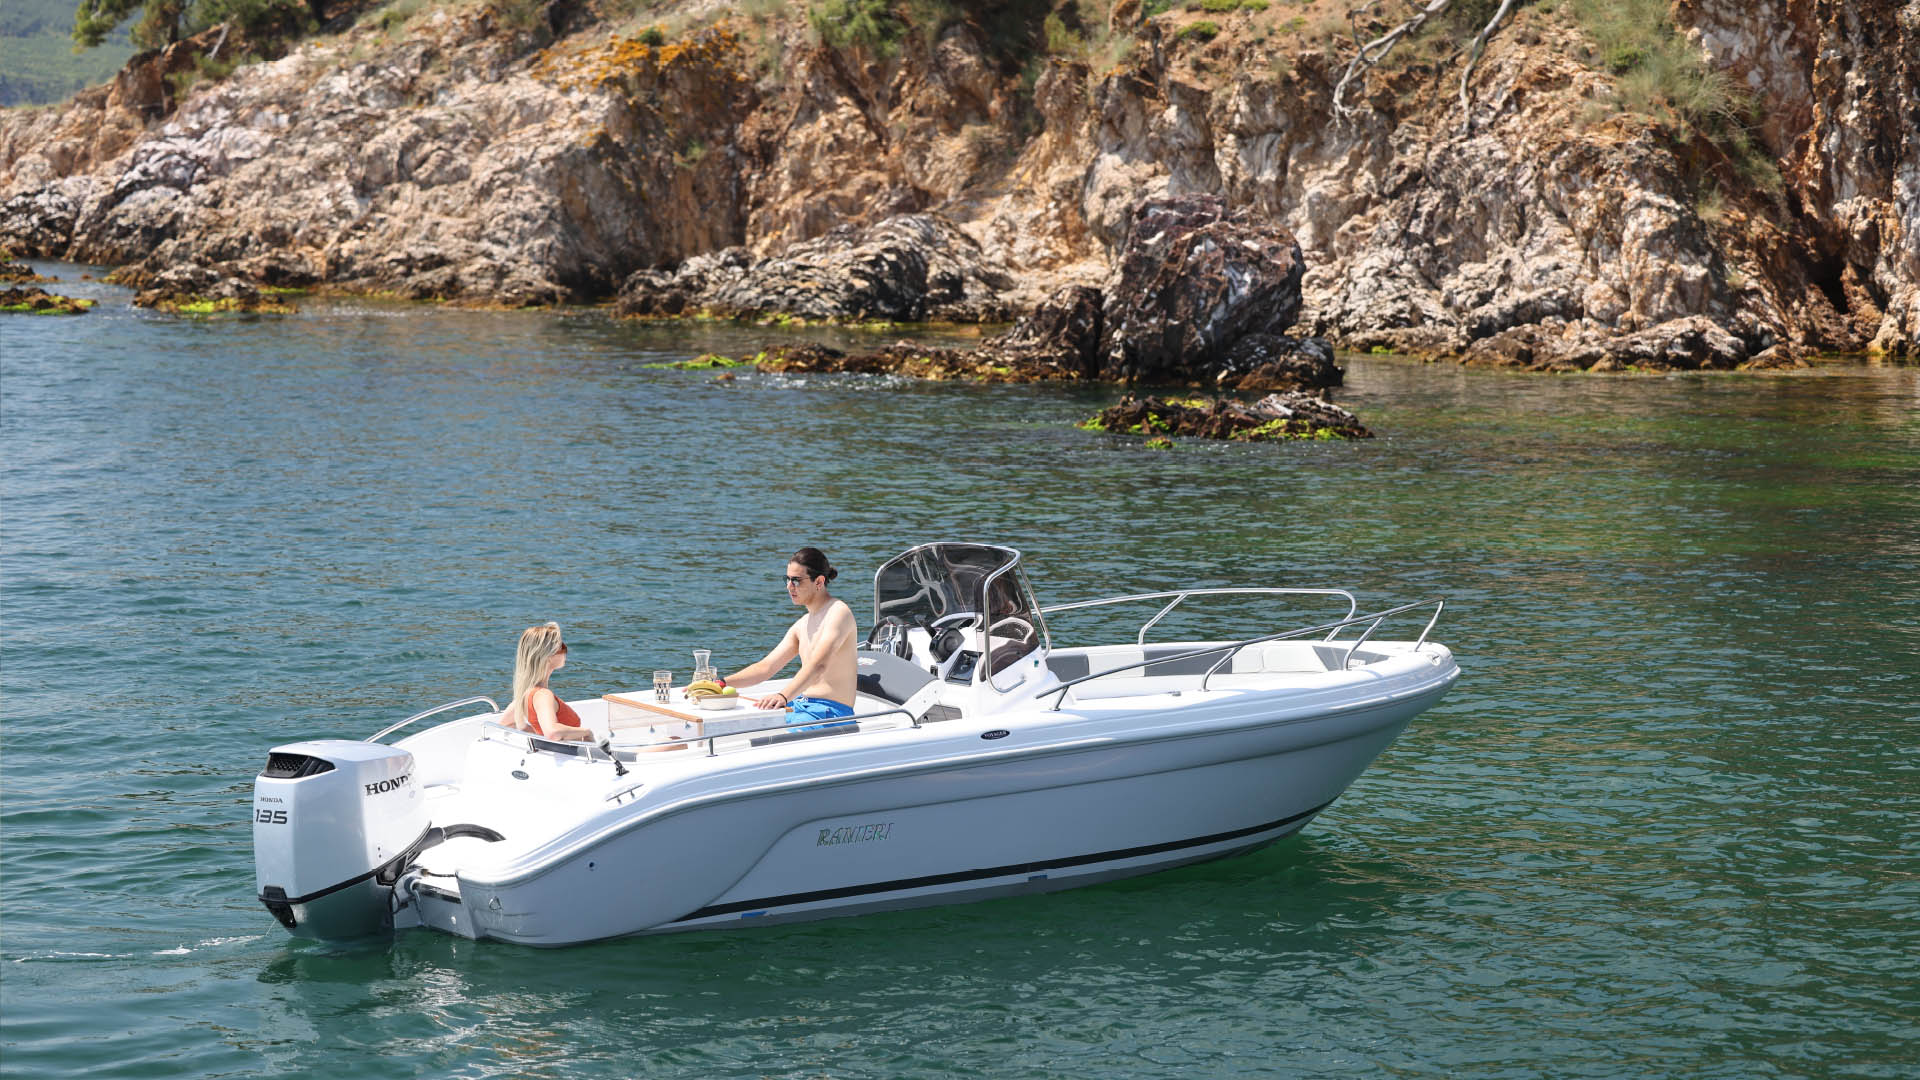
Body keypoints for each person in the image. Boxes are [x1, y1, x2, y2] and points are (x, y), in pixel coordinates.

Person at [720, 547, 859, 725]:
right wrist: (721, 683)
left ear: (819, 581)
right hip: (800, 706)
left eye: (796, 581)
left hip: (831, 713)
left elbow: (819, 665)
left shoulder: (839, 613)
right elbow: (766, 667)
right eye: (787, 579)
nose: (789, 586)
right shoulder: (802, 624)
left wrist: (783, 696)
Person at [501, 621, 596, 742]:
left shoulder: (525, 694)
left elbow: (506, 723)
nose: (566, 651)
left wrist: (539, 736)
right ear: (548, 657)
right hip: (570, 752)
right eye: (562, 647)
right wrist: (586, 732)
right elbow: (552, 732)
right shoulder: (543, 695)